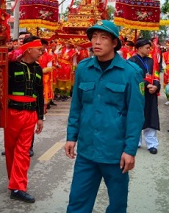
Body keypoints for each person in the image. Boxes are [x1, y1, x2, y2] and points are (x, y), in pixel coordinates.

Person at [65, 20, 145, 212]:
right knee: (77, 203)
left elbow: (135, 115)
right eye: (93, 37)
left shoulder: (130, 73)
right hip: (87, 152)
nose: (97, 42)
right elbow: (76, 106)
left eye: (103, 37)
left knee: (117, 206)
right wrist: (71, 136)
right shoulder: (84, 69)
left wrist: (130, 150)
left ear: (115, 43)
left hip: (115, 153)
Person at [5, 36, 44, 203]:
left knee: (23, 151)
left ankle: (18, 187)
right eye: (39, 50)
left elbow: (40, 94)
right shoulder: (12, 66)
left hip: (30, 114)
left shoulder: (38, 69)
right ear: (29, 50)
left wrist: (40, 117)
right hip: (12, 113)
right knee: (11, 149)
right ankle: (13, 181)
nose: (41, 53)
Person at [130, 39, 160, 154]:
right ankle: (135, 142)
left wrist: (156, 85)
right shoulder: (131, 61)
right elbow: (133, 77)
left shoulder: (151, 61)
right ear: (139, 48)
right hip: (138, 93)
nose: (149, 50)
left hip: (151, 93)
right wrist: (147, 85)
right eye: (147, 47)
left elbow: (156, 73)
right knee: (136, 116)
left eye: (149, 47)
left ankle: (151, 144)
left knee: (150, 117)